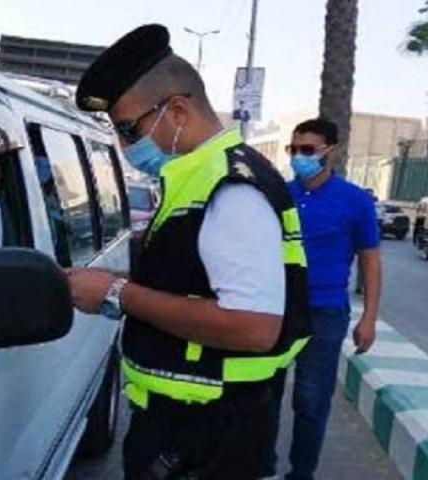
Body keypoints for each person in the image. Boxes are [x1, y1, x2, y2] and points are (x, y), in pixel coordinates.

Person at [67, 24, 310, 479]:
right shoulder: (200, 177)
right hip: (190, 425)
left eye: (128, 129)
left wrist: (117, 294)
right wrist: (117, 286)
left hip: (207, 438)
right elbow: (190, 281)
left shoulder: (231, 188)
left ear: (177, 111)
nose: (125, 145)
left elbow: (254, 327)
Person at [267, 118, 382, 480]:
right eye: (293, 149)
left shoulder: (355, 201)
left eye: (307, 150)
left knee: (311, 400)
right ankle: (262, 468)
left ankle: (301, 474)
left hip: (325, 313)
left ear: (330, 152)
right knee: (263, 394)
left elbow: (370, 260)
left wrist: (369, 319)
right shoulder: (278, 194)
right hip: (276, 310)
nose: (298, 157)